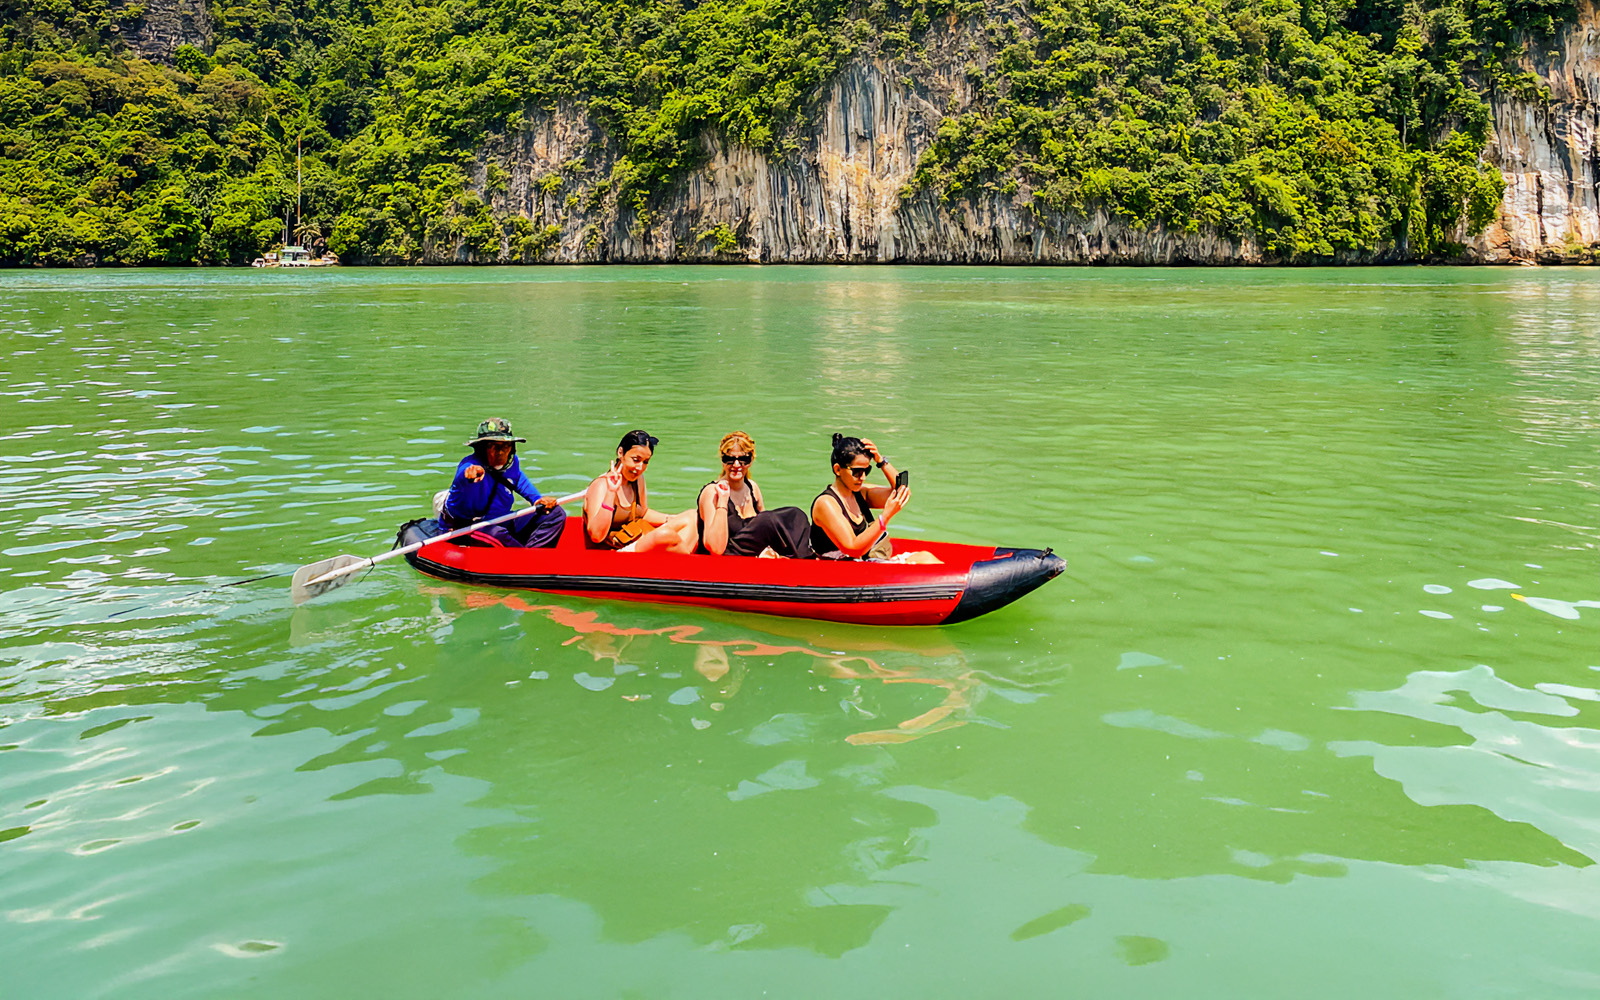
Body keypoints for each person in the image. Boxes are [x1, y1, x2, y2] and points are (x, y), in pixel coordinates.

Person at [810, 434, 940, 563]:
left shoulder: (860, 493)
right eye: (857, 472)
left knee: (926, 557)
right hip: (840, 571)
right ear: (838, 469)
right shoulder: (826, 503)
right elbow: (853, 549)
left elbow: (902, 492)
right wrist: (885, 516)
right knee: (926, 560)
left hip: (863, 564)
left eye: (867, 471)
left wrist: (881, 461)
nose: (863, 477)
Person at [440, 417, 565, 547]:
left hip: (501, 519)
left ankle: (533, 555)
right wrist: (470, 475)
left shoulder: (511, 463)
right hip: (468, 528)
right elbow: (464, 476)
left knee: (556, 513)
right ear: (482, 449)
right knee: (497, 534)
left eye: (506, 446)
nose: (501, 452)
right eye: (494, 446)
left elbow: (518, 479)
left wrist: (536, 499)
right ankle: (525, 559)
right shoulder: (470, 466)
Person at [696, 431, 813, 558]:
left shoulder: (752, 487)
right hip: (729, 554)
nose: (736, 465)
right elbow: (715, 548)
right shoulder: (712, 492)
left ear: (751, 460)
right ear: (722, 461)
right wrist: (722, 501)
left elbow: (768, 532)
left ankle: (805, 558)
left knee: (796, 515)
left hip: (752, 555)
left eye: (743, 459)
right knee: (766, 520)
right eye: (729, 459)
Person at [583, 430, 698, 553]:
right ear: (621, 453)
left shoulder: (637, 480)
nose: (640, 468)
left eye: (645, 462)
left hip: (636, 540)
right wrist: (611, 492)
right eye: (636, 460)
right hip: (614, 552)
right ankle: (690, 564)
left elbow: (643, 513)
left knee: (692, 516)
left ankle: (682, 562)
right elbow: (596, 536)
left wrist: (672, 518)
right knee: (664, 534)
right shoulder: (601, 486)